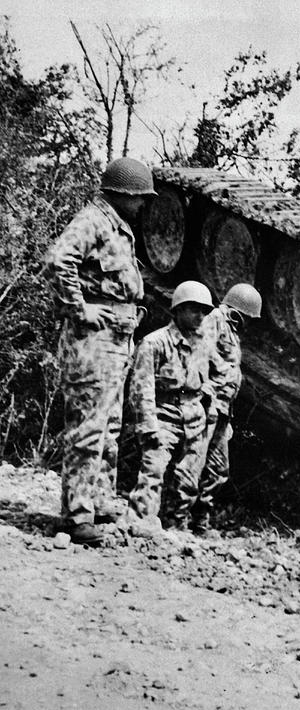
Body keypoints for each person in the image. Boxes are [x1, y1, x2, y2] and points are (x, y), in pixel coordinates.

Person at [44, 157, 156, 546]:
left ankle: (98, 500)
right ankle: (76, 515)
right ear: (123, 194)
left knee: (109, 424)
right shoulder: (92, 220)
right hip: (94, 338)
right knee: (89, 426)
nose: (143, 204)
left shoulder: (118, 227)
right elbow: (59, 261)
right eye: (140, 197)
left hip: (117, 337)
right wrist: (79, 309)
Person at [127, 280, 218, 533]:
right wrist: (148, 427)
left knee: (188, 479)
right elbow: (141, 388)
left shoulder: (204, 344)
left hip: (194, 419)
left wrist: (209, 411)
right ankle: (140, 525)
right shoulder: (154, 343)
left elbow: (207, 381)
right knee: (153, 471)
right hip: (163, 415)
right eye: (193, 309)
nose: (200, 315)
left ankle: (177, 527)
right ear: (177, 310)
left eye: (204, 311)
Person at [194, 283, 262, 536]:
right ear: (238, 313)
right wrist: (207, 395)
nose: (249, 325)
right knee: (193, 464)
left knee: (218, 468)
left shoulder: (229, 330)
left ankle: (200, 519)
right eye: (248, 319)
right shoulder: (214, 321)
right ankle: (177, 519)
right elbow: (198, 357)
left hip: (223, 409)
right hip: (208, 406)